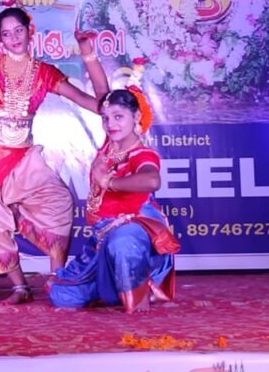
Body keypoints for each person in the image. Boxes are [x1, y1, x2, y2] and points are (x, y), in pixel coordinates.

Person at [0, 0, 109, 303]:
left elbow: (96, 103)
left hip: (21, 155)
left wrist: (88, 54)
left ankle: (57, 279)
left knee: (58, 201)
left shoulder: (45, 73)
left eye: (18, 30)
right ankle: (19, 287)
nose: (13, 38)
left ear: (29, 31)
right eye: (6, 34)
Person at [48, 87, 178, 312]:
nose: (111, 124)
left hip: (133, 232)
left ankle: (139, 297)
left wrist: (109, 182)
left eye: (119, 117)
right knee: (62, 295)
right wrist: (85, 57)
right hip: (103, 237)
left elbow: (151, 180)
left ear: (136, 116)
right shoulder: (110, 145)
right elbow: (101, 92)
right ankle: (117, 287)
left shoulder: (141, 154)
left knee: (122, 242)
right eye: (105, 118)